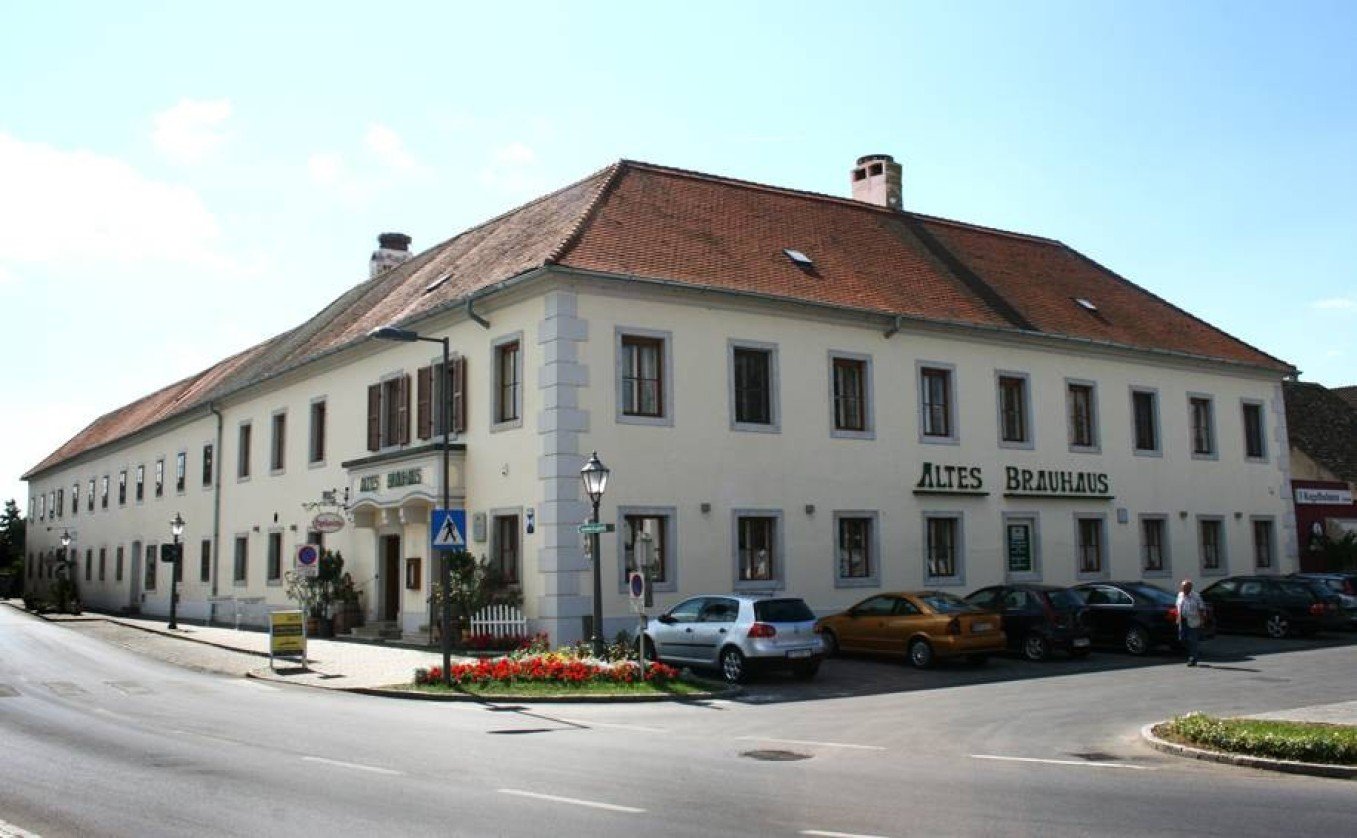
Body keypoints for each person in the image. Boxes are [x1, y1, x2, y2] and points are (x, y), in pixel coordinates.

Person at [1176, 579, 1206, 666]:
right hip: (1183, 620)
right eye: (1182, 588)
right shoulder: (1180, 595)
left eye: (1186, 588)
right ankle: (1193, 652)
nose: (1184, 590)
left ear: (1190, 588)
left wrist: (1202, 620)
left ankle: (1193, 658)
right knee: (1182, 638)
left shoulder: (1196, 596)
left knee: (1193, 640)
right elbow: (1178, 606)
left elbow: (1201, 608)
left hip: (1193, 620)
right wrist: (1178, 617)